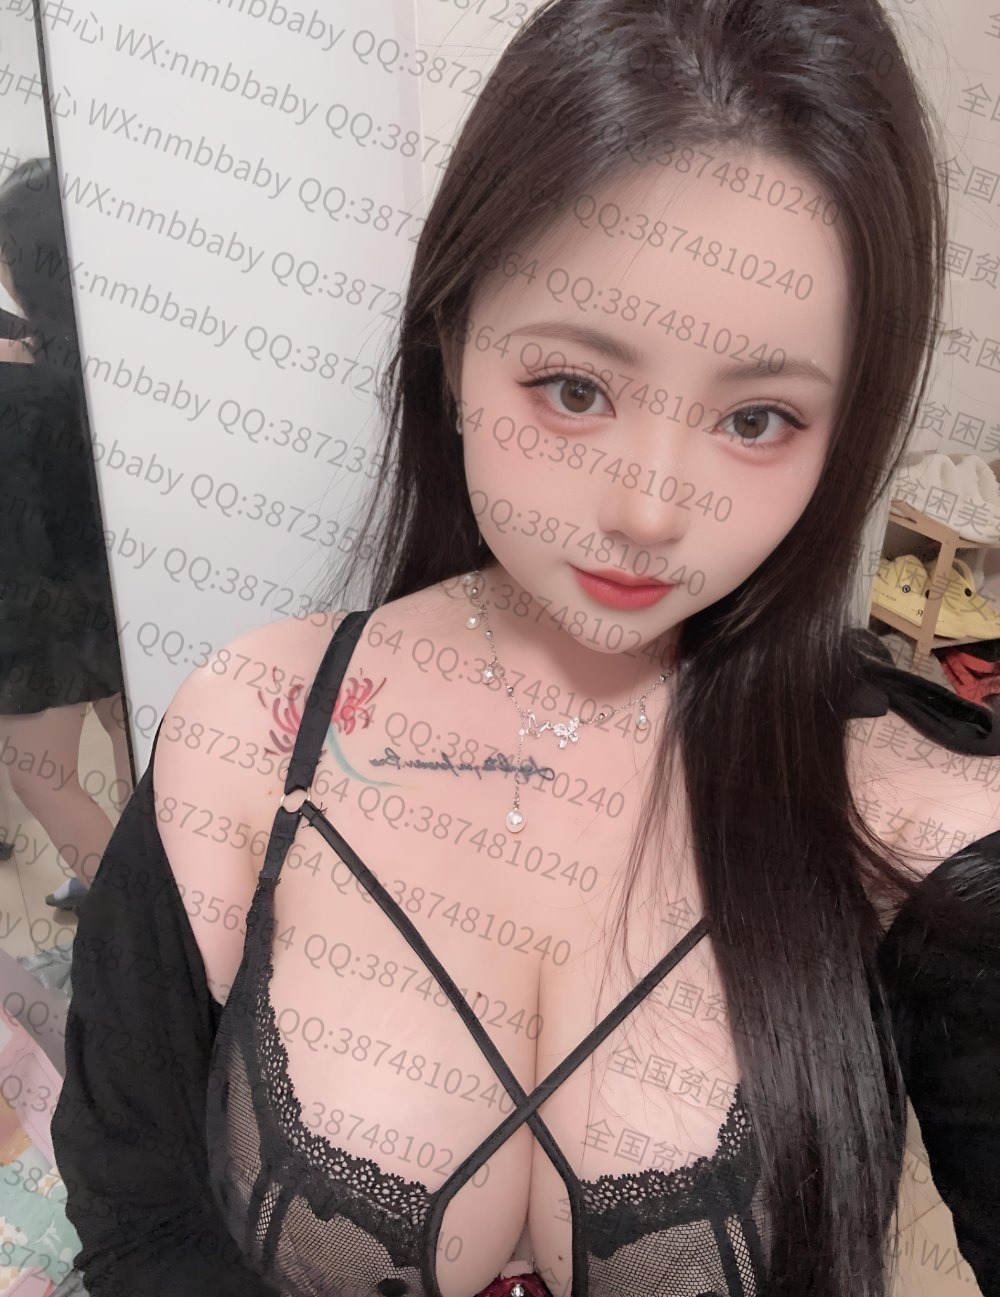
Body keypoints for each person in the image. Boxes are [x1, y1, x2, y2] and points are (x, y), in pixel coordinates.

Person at [51, 2, 1000, 1295]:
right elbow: (143, 1220)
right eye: (574, 389)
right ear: (454, 346)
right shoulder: (253, 735)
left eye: (757, 419)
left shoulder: (917, 813)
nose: (650, 511)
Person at [0, 157, 130, 912]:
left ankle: (137, 923)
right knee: (134, 745)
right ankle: (152, 891)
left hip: (45, 609)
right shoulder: (101, 348)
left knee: (39, 775)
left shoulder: (21, 380)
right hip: (118, 589)